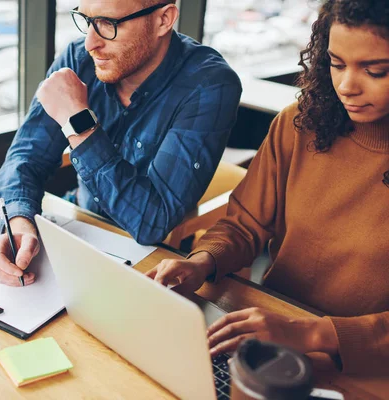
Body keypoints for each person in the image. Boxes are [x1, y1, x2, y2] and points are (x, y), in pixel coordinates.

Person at [147, 0, 389, 375]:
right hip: (272, 330)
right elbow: (245, 223)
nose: (346, 86)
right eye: (336, 63)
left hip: (364, 364)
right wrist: (201, 262)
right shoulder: (302, 122)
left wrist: (310, 334)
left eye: (375, 71)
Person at [0, 0, 242, 286]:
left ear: (164, 20)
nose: (90, 43)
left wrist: (78, 123)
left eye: (109, 24)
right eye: (87, 21)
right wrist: (18, 222)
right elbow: (26, 155)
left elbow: (151, 223)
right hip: (79, 224)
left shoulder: (209, 84)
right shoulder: (79, 59)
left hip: (149, 261)